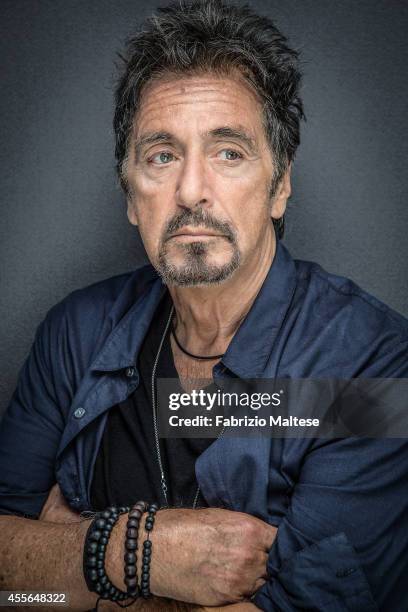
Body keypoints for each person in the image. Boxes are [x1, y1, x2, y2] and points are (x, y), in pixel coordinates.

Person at [1, 0, 407, 610]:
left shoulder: (373, 364)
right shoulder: (75, 331)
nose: (191, 190)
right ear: (131, 198)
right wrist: (132, 552)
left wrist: (67, 566)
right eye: (162, 155)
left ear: (280, 184)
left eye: (228, 152)